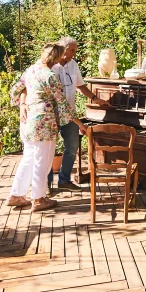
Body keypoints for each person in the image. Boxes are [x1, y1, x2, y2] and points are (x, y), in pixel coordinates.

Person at [21, 36, 109, 191]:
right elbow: (24, 86)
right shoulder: (46, 66)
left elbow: (80, 86)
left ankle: (64, 180)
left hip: (70, 115)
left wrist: (96, 99)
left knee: (72, 146)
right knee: (48, 151)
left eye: (75, 50)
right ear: (62, 49)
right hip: (51, 115)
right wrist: (22, 104)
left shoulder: (73, 64)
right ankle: (45, 185)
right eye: (72, 50)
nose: (75, 53)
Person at [7, 43, 85, 212]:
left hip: (27, 120)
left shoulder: (31, 70)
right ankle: (39, 198)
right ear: (56, 59)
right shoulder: (50, 76)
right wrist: (79, 123)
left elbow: (15, 90)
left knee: (29, 158)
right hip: (44, 122)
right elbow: (62, 104)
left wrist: (22, 105)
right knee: (43, 161)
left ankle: (16, 195)